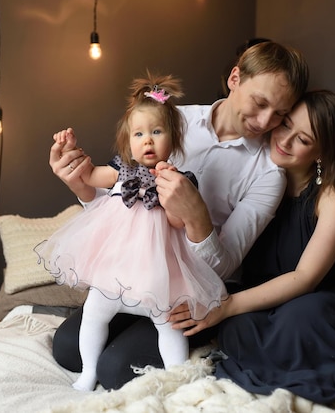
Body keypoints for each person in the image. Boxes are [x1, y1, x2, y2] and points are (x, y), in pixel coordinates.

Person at [48, 41, 310, 390]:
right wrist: (80, 183)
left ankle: (202, 352)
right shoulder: (168, 119)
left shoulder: (267, 174)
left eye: (279, 113)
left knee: (115, 370)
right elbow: (119, 199)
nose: (265, 122)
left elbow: (225, 267)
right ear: (235, 78)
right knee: (68, 349)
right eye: (260, 103)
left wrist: (197, 218)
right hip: (137, 267)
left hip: (194, 289)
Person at [171, 90, 335, 404]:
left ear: (322, 152)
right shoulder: (260, 180)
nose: (285, 140)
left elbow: (305, 278)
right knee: (236, 328)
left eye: (304, 139)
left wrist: (226, 305)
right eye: (285, 126)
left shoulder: (330, 196)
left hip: (313, 297)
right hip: (261, 297)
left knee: (300, 317)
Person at [35, 73, 228, 391]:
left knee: (168, 325)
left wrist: (176, 202)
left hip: (156, 273)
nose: (148, 140)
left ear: (174, 139)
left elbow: (180, 225)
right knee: (94, 314)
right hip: (114, 269)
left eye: (156, 131)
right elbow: (88, 175)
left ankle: (178, 379)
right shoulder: (120, 169)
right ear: (128, 142)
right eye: (139, 134)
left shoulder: (180, 180)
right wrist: (70, 151)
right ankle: (88, 373)